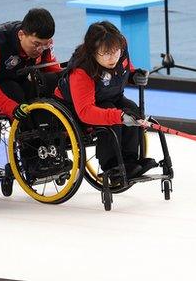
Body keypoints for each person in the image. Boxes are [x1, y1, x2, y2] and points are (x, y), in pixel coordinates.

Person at [54, 21, 158, 182]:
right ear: (93, 52)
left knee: (132, 110)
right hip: (77, 106)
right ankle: (111, 166)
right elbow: (86, 112)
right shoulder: (82, 71)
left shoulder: (120, 48)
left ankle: (130, 161)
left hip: (109, 96)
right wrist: (118, 116)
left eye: (116, 51)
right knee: (112, 116)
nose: (113, 57)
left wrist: (133, 75)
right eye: (106, 53)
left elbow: (123, 68)